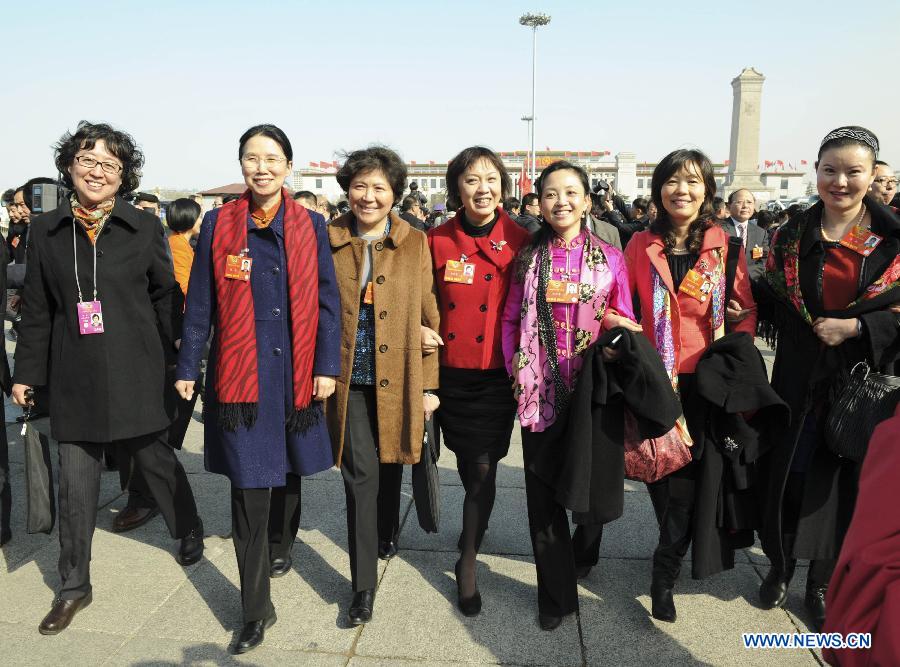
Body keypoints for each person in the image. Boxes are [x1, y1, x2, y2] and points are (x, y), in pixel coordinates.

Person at [12, 120, 204, 635]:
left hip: (137, 369)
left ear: (124, 177)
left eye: (109, 165)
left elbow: (166, 294)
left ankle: (187, 527)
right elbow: (35, 309)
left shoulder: (143, 228)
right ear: (70, 167)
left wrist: (178, 353)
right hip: (72, 374)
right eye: (87, 161)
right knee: (75, 488)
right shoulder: (45, 231)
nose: (96, 172)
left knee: (155, 462)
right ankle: (73, 586)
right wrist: (24, 373)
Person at [174, 124, 340, 654]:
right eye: (252, 158)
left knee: (287, 475)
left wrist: (325, 366)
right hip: (240, 377)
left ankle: (280, 542)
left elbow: (327, 301)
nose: (261, 167)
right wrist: (186, 366)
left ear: (289, 165)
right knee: (247, 491)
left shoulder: (311, 224)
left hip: (294, 373)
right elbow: (199, 302)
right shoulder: (219, 223)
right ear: (242, 165)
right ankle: (254, 608)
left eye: (272, 158)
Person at [755, 126, 900, 631]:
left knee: (838, 485)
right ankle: (779, 566)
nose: (840, 181)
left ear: (872, 175)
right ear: (816, 172)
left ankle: (820, 581)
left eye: (853, 171)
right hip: (796, 375)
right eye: (830, 170)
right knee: (788, 476)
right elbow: (772, 293)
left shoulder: (892, 238)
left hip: (856, 382)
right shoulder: (792, 234)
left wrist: (858, 326)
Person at [501, 160, 641, 630]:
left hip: (590, 393)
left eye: (570, 192)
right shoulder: (527, 258)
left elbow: (621, 317)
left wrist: (615, 329)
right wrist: (515, 369)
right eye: (550, 194)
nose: (560, 201)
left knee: (584, 486)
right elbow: (509, 320)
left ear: (586, 200)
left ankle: (586, 552)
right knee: (541, 496)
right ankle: (554, 596)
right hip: (538, 390)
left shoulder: (610, 257)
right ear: (538, 203)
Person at [623, 148, 757, 623]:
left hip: (705, 382)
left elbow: (745, 312)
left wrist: (731, 360)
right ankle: (671, 547)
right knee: (660, 472)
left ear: (708, 191)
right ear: (659, 189)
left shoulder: (725, 247)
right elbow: (625, 301)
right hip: (653, 380)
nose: (683, 190)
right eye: (673, 181)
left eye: (694, 181)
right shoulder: (640, 244)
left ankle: (664, 574)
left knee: (690, 480)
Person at [326, 146, 440, 625]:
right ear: (347, 189)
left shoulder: (414, 240)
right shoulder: (325, 237)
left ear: (394, 193)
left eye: (379, 188)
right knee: (360, 479)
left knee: (393, 460)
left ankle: (388, 529)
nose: (368, 197)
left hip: (399, 376)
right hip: (347, 376)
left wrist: (430, 386)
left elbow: (427, 309)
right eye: (359, 186)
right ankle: (362, 586)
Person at [426, 146, 530, 617]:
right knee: (468, 464)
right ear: (456, 188)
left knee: (486, 466)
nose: (482, 188)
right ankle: (475, 524)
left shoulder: (523, 239)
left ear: (503, 186)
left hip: (496, 374)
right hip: (449, 371)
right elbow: (423, 301)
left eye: (491, 179)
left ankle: (466, 559)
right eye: (471, 179)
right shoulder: (436, 240)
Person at [720, 189, 768, 286]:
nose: (745, 206)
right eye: (739, 202)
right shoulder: (718, 228)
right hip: (724, 285)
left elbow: (761, 262)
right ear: (728, 206)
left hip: (751, 285)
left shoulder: (761, 233)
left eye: (749, 202)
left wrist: (746, 279)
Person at [166, 197, 203, 297]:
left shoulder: (179, 241)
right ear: (189, 217)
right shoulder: (178, 246)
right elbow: (183, 286)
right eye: (199, 217)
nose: (201, 220)